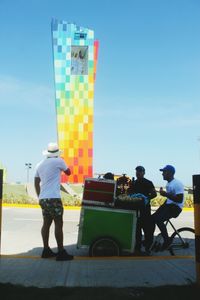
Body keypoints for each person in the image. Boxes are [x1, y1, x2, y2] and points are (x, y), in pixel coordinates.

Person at [34, 142, 74, 261]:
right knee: (58, 223)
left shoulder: (39, 164)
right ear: (57, 152)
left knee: (46, 223)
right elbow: (69, 172)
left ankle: (46, 250)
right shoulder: (59, 161)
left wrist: (39, 196)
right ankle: (61, 252)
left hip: (43, 198)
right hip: (54, 198)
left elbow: (36, 182)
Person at [152, 165, 184, 250]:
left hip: (175, 208)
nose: (162, 174)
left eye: (164, 172)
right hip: (169, 205)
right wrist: (161, 206)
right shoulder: (169, 183)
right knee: (151, 218)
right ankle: (150, 240)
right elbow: (170, 199)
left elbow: (179, 200)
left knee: (158, 219)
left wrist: (165, 194)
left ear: (170, 173)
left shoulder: (177, 183)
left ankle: (167, 240)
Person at [131, 166, 157, 254]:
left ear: (144, 172)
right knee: (137, 230)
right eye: (137, 171)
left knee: (147, 230)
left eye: (140, 171)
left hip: (145, 210)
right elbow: (130, 194)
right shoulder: (134, 183)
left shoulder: (148, 182)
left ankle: (147, 248)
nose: (138, 173)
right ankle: (137, 248)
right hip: (135, 210)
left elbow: (154, 194)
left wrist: (146, 198)